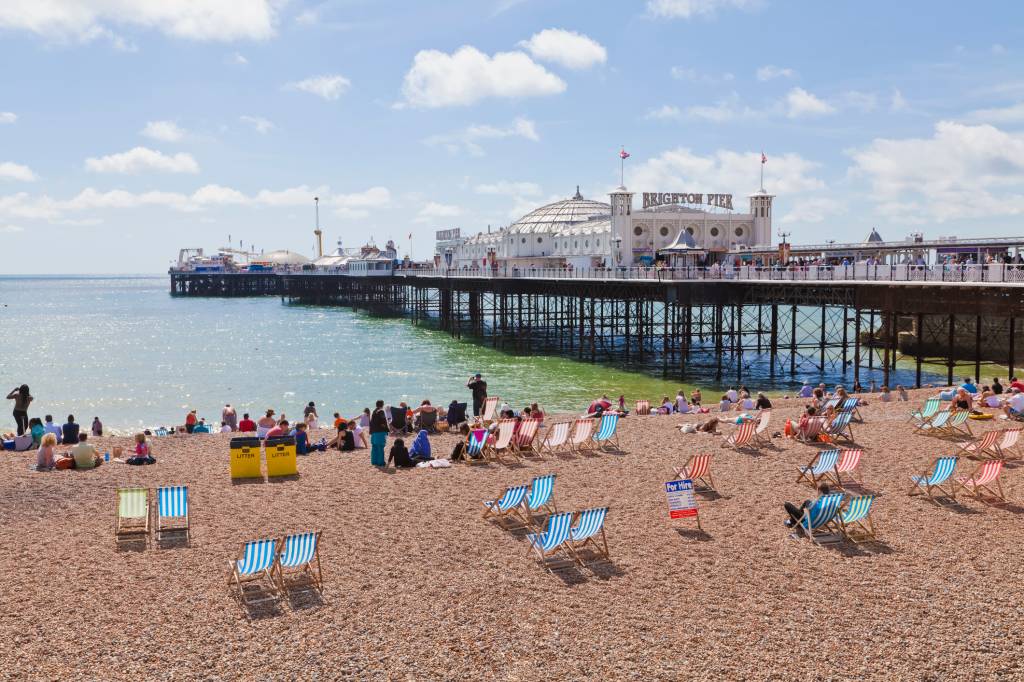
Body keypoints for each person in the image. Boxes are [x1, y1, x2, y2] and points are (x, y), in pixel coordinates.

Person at [369, 400, 388, 466]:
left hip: (373, 432)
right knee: (380, 447)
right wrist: (386, 429)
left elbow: (371, 422)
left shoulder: (373, 412)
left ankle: (374, 461)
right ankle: (381, 462)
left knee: (374, 447)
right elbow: (383, 422)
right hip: (380, 432)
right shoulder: (381, 411)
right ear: (382, 405)